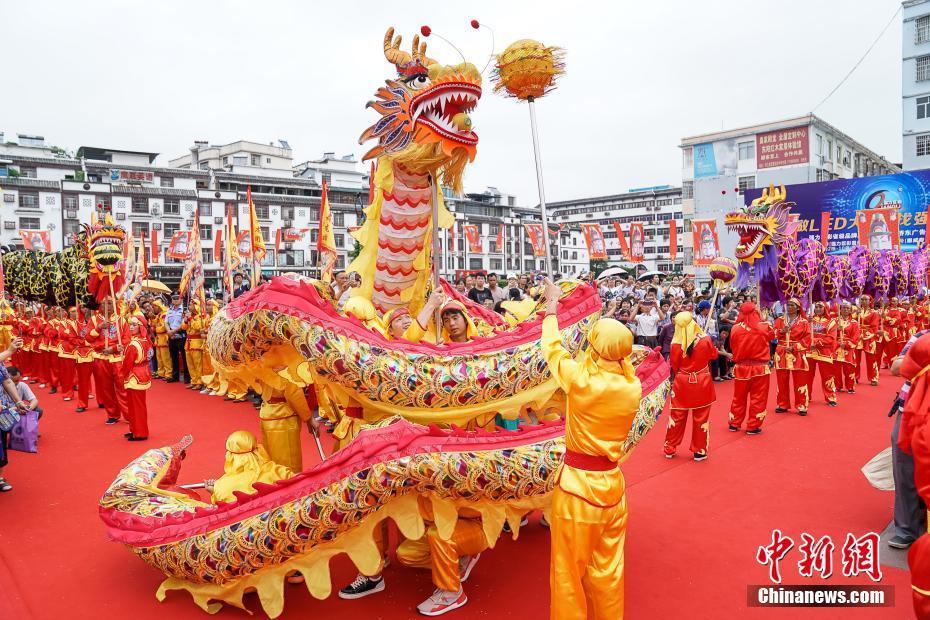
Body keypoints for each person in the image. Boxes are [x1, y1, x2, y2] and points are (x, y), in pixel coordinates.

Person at [540, 278, 641, 620]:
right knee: (609, 572)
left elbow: (553, 349)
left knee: (567, 572)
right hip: (613, 488)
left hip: (579, 491)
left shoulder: (581, 381)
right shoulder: (632, 386)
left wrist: (551, 307)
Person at [893, 333, 930, 618]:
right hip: (912, 411)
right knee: (907, 472)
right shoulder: (922, 338)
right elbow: (898, 366)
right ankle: (907, 528)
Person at [664, 312, 717, 461]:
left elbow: (675, 365)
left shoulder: (675, 343)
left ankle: (670, 447)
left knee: (677, 415)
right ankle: (699, 450)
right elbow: (713, 355)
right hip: (702, 381)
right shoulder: (705, 339)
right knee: (701, 417)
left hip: (682, 381)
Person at [728, 302, 774, 434]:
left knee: (738, 397)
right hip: (759, 368)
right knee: (758, 397)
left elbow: (732, 345)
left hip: (741, 368)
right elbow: (774, 336)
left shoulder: (735, 328)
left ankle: (734, 423)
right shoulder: (764, 326)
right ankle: (753, 425)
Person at [0, 339, 32, 492]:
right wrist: (10, 351)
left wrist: (18, 401)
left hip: (2, 410)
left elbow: (6, 381)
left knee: (1, 441)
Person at [773, 298, 812, 416]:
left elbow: (807, 339)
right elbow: (772, 334)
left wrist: (795, 347)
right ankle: (782, 404)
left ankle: (802, 405)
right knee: (782, 380)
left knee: (800, 379)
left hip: (797, 353)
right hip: (782, 352)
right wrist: (781, 331)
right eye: (788, 305)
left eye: (792, 305)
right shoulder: (780, 320)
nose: (789, 307)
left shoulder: (804, 322)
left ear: (798, 308)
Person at [120, 315, 152, 441]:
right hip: (142, 374)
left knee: (136, 406)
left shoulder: (134, 344)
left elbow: (127, 363)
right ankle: (135, 429)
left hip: (134, 376)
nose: (131, 327)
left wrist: (122, 374)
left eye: (134, 324)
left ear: (140, 327)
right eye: (130, 324)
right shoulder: (144, 341)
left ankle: (140, 432)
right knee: (136, 406)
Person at [807, 301, 839, 407]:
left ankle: (830, 397)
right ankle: (806, 396)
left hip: (825, 352)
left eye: (820, 307)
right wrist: (807, 323)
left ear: (825, 308)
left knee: (827, 376)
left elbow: (831, 338)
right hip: (809, 352)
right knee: (807, 376)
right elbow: (803, 334)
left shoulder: (831, 322)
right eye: (816, 307)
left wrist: (815, 342)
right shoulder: (809, 320)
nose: (818, 309)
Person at [835, 302, 860, 394]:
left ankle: (850, 386)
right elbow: (829, 334)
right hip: (836, 347)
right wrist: (836, 330)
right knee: (836, 368)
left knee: (849, 367)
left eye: (847, 308)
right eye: (844, 308)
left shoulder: (854, 323)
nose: (845, 310)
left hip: (848, 348)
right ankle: (837, 386)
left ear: (850, 310)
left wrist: (846, 344)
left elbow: (856, 337)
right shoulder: (835, 321)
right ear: (840, 310)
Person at [858, 295, 881, 386]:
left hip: (869, 337)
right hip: (857, 337)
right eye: (862, 299)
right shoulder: (857, 312)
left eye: (865, 300)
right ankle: (855, 377)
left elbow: (874, 328)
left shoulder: (874, 313)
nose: (863, 301)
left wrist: (864, 335)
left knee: (871, 359)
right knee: (856, 359)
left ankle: (874, 377)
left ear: (870, 301)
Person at [165, 294, 189, 384]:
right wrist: (169, 331)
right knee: (173, 357)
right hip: (171, 336)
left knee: (184, 357)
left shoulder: (184, 309)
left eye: (177, 298)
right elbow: (166, 322)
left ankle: (187, 377)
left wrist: (173, 331)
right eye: (173, 299)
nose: (175, 300)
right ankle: (175, 376)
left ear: (181, 299)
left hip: (181, 336)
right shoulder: (169, 310)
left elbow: (183, 324)